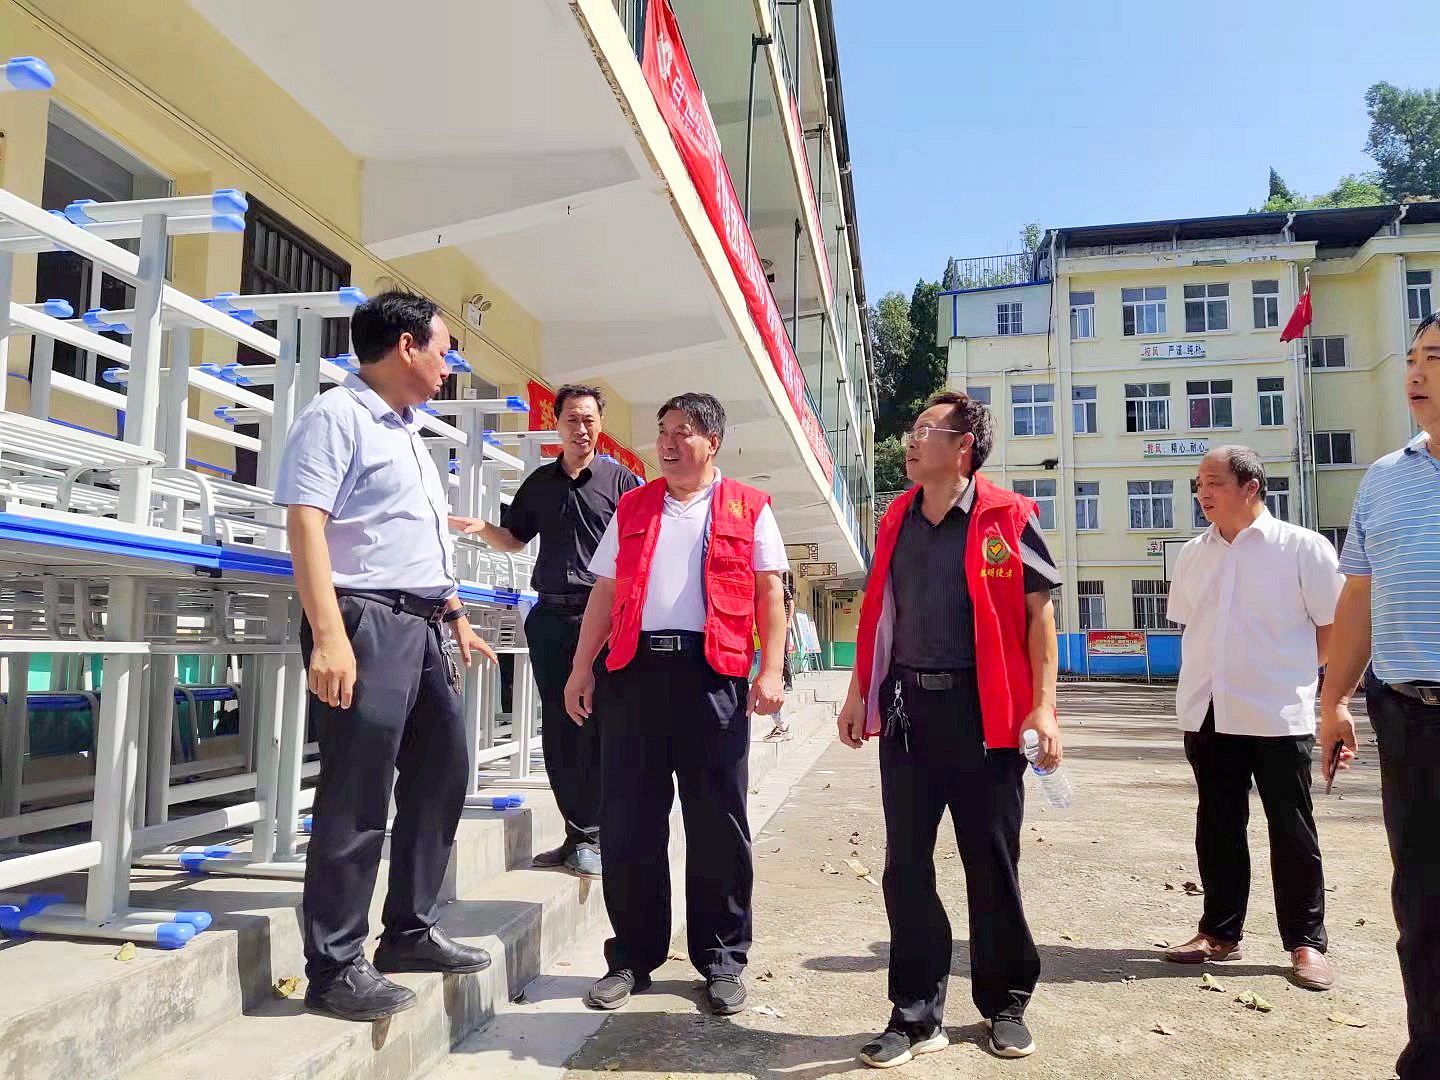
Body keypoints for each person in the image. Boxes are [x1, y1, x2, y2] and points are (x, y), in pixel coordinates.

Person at [275, 291, 498, 1022]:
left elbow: (416, 538)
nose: (448, 366)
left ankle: (410, 929)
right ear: (407, 345)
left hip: (424, 624)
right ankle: (335, 965)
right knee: (357, 790)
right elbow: (306, 525)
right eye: (443, 350)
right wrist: (329, 635)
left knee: (442, 772)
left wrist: (456, 616)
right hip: (365, 619)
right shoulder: (336, 417)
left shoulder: (407, 431)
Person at [839, 390, 1061, 1066]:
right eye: (911, 428)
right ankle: (914, 1015)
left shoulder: (1009, 516)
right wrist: (858, 692)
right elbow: (880, 613)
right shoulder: (896, 517)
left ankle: (1005, 1004)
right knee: (905, 867)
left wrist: (1043, 707)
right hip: (908, 713)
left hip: (985, 717)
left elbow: (1040, 617)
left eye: (924, 430)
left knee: (990, 864)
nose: (910, 440)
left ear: (964, 446)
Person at [562, 392, 788, 1016]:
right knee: (630, 821)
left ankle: (721, 958)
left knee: (718, 822)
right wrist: (581, 667)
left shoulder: (749, 506)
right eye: (662, 431)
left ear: (711, 442)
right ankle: (633, 956)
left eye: (681, 431)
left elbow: (770, 592)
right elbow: (605, 591)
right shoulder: (634, 505)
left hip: (711, 676)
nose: (666, 442)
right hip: (634, 675)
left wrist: (771, 669)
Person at [1161, 446, 1342, 991]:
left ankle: (1306, 942)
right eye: (1198, 484)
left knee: (1291, 827)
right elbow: (1193, 626)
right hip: (1208, 708)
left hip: (1276, 710)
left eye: (1214, 482)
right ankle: (1219, 932)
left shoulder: (1302, 547)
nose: (1203, 493)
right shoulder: (1193, 553)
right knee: (1218, 823)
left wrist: (1295, 674)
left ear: (1250, 487)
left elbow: (1332, 628)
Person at [449, 385, 639, 878]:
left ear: (601, 425)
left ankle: (601, 835)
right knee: (558, 727)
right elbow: (515, 539)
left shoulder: (623, 483)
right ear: (556, 424)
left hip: (604, 619)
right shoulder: (539, 484)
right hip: (551, 619)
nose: (581, 429)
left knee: (601, 723)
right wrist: (482, 529)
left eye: (589, 419)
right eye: (572, 419)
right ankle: (578, 834)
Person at [1320, 312, 1440, 1080]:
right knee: (1422, 907)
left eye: (1437, 358)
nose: (1417, 373)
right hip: (1409, 718)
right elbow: (1358, 597)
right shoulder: (1384, 478)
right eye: (1413, 357)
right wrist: (1334, 699)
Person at [764, 573, 797, 742]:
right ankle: (781, 725)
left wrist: (789, 621)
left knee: (780, 658)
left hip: (779, 627)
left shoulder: (779, 584)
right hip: (766, 630)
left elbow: (791, 602)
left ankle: (782, 726)